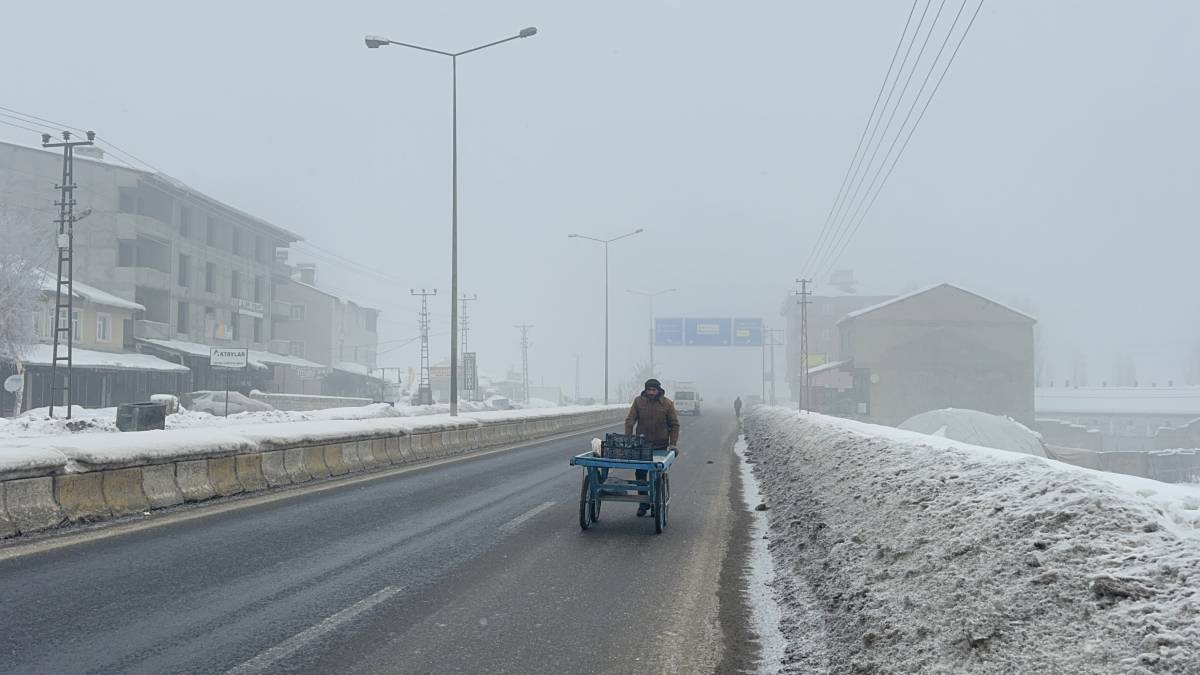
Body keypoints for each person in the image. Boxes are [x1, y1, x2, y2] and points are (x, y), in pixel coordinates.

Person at [624, 378, 681, 517]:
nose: (651, 392)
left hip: (660, 445)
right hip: (642, 445)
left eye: (653, 390)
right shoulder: (638, 402)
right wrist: (629, 438)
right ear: (645, 390)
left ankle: (657, 502)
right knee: (641, 475)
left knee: (656, 475)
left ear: (658, 390)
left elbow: (674, 425)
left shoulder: (667, 404)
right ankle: (644, 503)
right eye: (649, 390)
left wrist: (673, 444)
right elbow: (630, 420)